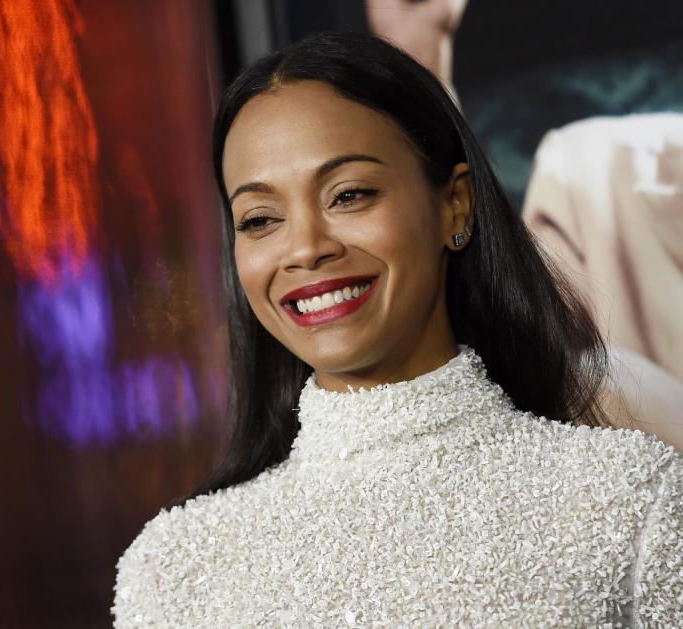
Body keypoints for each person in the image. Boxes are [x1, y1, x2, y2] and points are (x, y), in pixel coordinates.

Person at [111, 32, 683, 627]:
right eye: (260, 219)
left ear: (455, 205)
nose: (305, 248)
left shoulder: (634, 498)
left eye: (349, 195)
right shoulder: (176, 566)